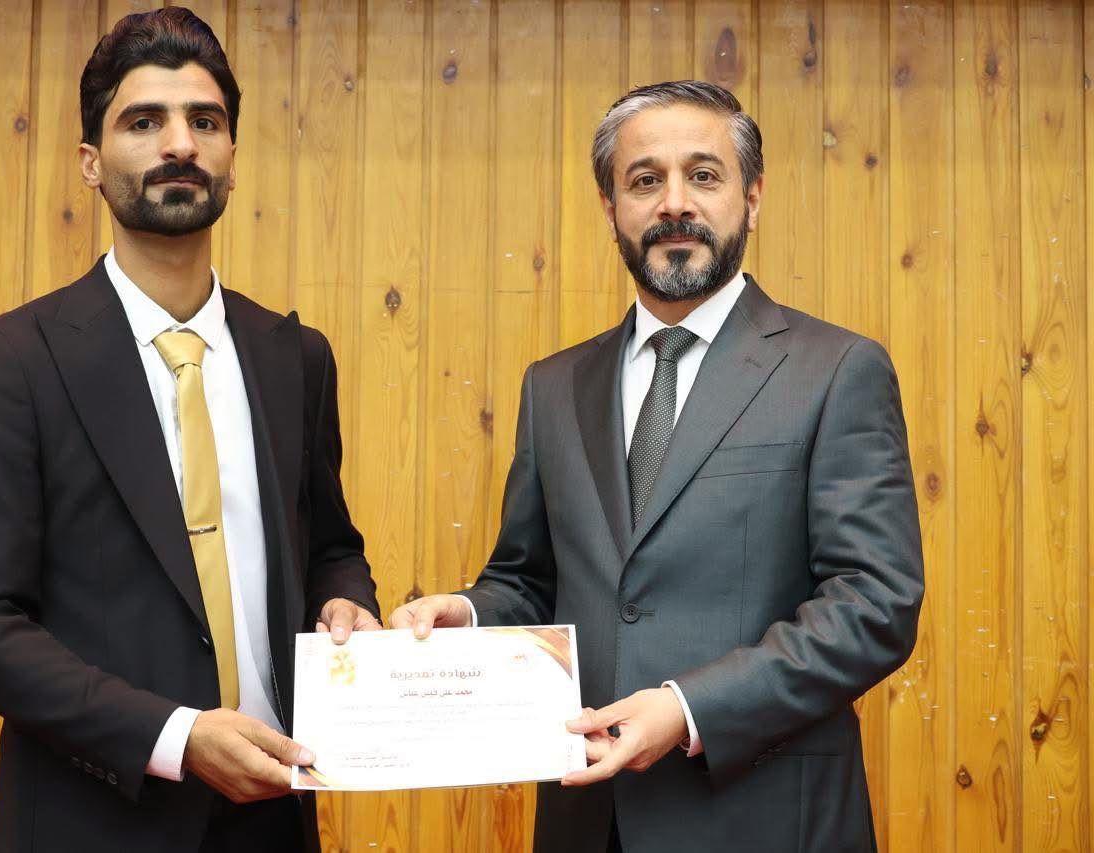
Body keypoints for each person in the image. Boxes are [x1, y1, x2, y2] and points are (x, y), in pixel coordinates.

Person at [392, 81, 923, 852]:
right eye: (645, 180)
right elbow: (530, 580)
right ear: (611, 207)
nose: (675, 203)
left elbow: (873, 602)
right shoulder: (554, 386)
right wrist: (468, 617)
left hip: (768, 820)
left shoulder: (837, 370)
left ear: (752, 197)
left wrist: (687, 707)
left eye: (703, 175)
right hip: (586, 821)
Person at [0, 9, 378, 851]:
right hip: (90, 821)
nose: (180, 144)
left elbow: (329, 545)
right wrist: (175, 736)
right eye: (144, 122)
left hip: (275, 817)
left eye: (204, 121)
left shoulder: (296, 357)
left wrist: (346, 599)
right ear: (90, 163)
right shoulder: (11, 360)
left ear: (232, 158)